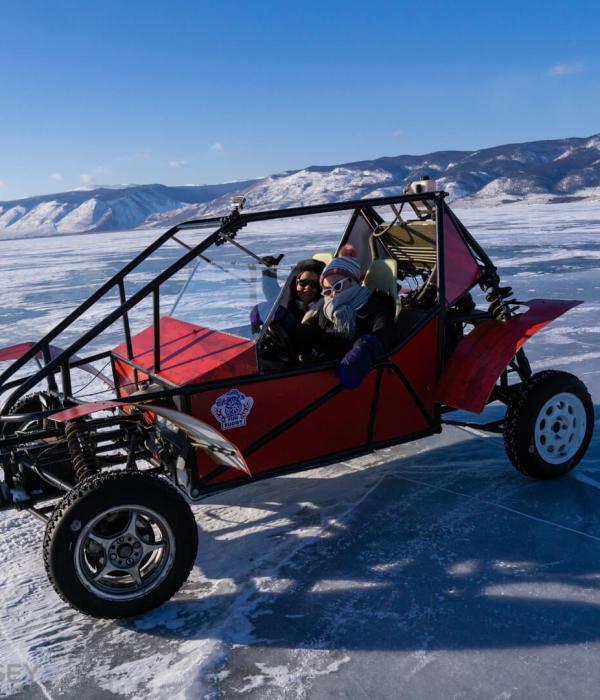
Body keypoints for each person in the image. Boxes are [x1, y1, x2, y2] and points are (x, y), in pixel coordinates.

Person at [299, 245, 396, 388]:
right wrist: (290, 330)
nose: (332, 295)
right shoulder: (327, 308)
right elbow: (310, 330)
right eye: (327, 291)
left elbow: (383, 333)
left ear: (353, 281)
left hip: (343, 379)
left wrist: (363, 348)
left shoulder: (374, 305)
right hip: (318, 370)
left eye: (337, 287)